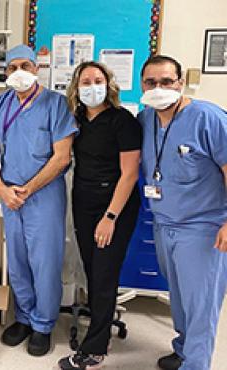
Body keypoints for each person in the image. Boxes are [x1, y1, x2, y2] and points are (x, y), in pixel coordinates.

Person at [0, 44, 78, 356]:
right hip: (9, 196)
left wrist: (28, 189)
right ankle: (23, 317)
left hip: (43, 196)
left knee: (44, 261)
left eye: (26, 65)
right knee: (18, 261)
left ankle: (43, 325)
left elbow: (61, 158)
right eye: (12, 67)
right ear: (5, 72)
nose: (19, 72)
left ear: (37, 69)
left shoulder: (56, 104)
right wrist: (2, 189)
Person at [138, 55, 227, 370]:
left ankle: (197, 363)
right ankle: (184, 349)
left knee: (201, 305)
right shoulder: (145, 119)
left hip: (202, 229)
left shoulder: (208, 118)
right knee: (179, 299)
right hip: (164, 224)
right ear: (142, 85)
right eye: (151, 82)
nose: (159, 88)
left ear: (180, 83)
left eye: (166, 81)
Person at [57, 62, 142, 369]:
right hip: (84, 202)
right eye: (85, 82)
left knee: (104, 275)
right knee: (94, 272)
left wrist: (110, 217)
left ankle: (94, 351)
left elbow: (130, 174)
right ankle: (100, 332)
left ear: (108, 84)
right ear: (76, 89)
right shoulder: (77, 119)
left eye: (98, 80)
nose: (92, 86)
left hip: (113, 206)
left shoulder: (122, 121)